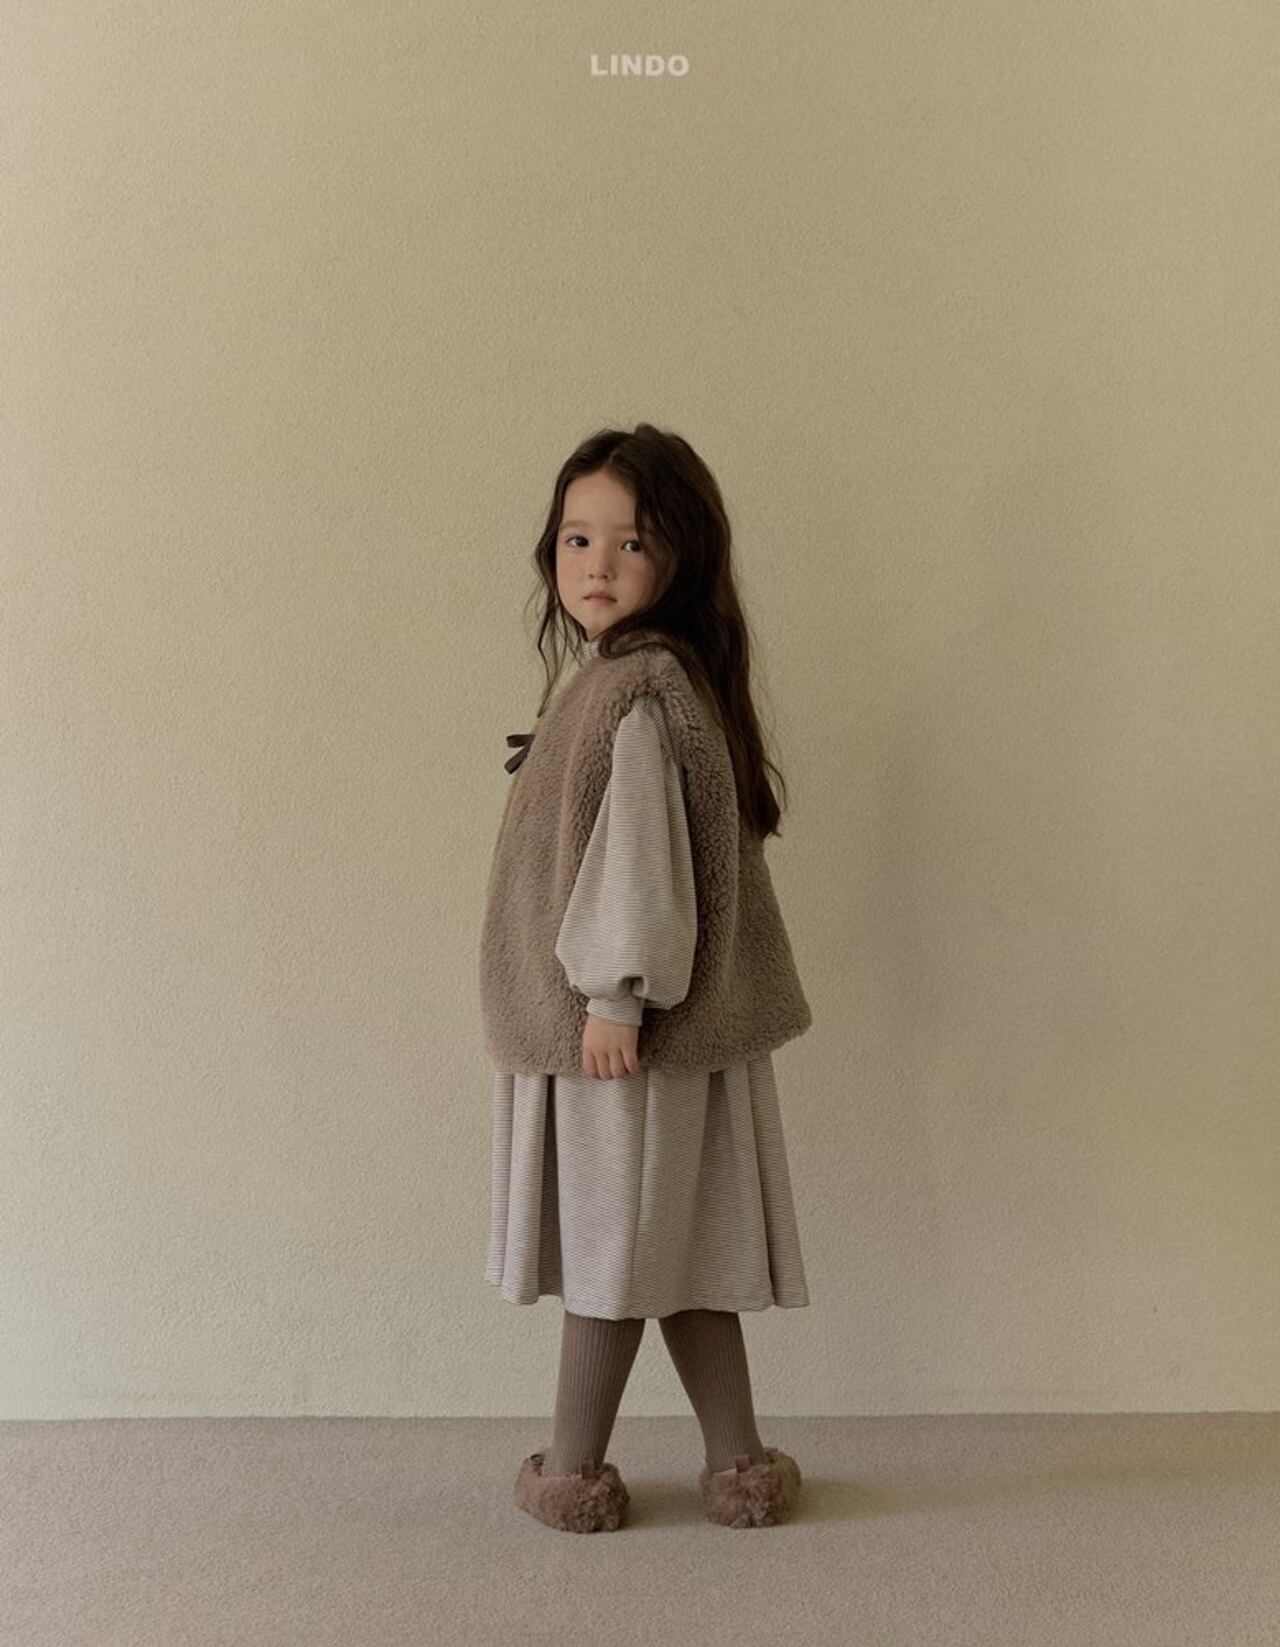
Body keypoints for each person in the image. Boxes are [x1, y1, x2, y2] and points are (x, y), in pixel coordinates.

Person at [479, 423, 812, 1533]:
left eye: (630, 541)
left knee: (612, 1253)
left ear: (680, 554)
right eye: (577, 538)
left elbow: (638, 861)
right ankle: (738, 1464)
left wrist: (615, 996)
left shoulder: (636, 693)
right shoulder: (625, 682)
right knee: (676, 1250)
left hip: (623, 1034)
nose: (597, 563)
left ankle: (570, 1471)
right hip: (641, 1031)